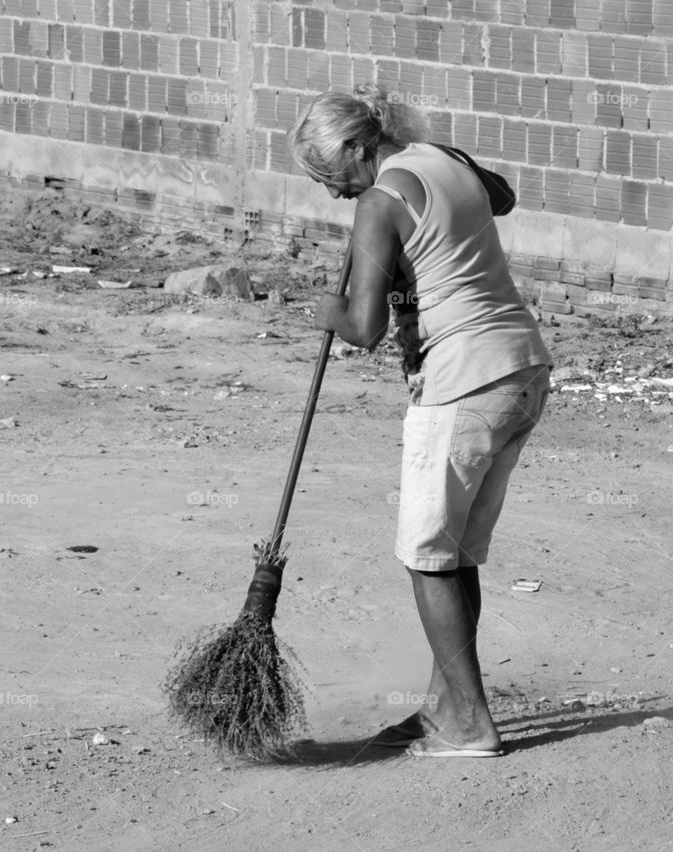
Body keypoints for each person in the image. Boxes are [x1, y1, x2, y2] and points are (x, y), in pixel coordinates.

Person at [289, 85, 552, 758]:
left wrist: (330, 309)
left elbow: (365, 329)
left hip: (461, 384)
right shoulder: (441, 156)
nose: (332, 194)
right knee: (456, 553)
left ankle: (468, 722)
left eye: (330, 176)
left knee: (428, 560)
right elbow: (501, 198)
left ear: (357, 148)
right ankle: (445, 703)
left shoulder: (380, 202)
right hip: (520, 369)